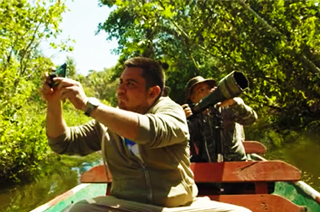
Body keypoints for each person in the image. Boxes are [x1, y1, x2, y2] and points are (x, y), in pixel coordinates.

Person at [41, 57, 251, 212]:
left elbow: (149, 131)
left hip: (179, 208)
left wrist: (89, 105)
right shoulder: (107, 121)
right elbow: (63, 143)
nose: (121, 90)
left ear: (153, 92)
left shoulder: (172, 111)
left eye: (130, 84)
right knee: (78, 210)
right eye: (121, 83)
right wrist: (53, 105)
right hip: (125, 206)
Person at [182, 75, 258, 163]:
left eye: (209, 88)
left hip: (236, 164)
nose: (208, 91)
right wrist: (181, 119)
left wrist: (233, 103)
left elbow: (251, 119)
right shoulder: (194, 117)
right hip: (208, 168)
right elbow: (182, 139)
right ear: (193, 98)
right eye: (201, 90)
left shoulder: (228, 106)